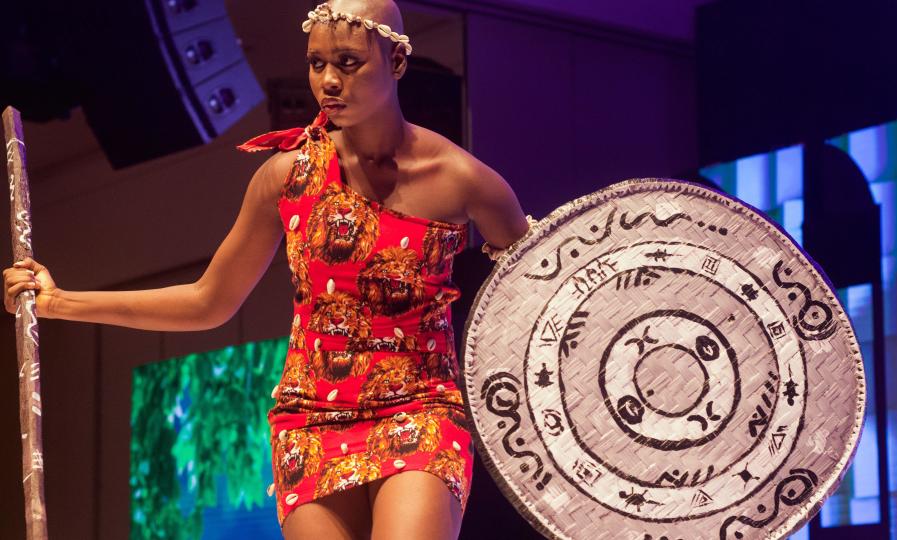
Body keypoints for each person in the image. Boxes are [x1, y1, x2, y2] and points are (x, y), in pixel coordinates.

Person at [2, 1, 531, 538]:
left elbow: (535, 297)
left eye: (348, 63)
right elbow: (209, 301)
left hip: (420, 406)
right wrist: (56, 301)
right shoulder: (287, 178)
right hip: (312, 415)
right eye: (317, 62)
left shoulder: (465, 181)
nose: (328, 80)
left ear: (396, 62)